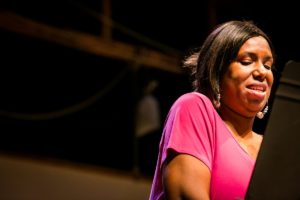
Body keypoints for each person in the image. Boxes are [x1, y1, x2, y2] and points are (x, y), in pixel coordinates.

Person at [149, 20, 276, 200]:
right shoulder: (194, 107)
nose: (262, 72)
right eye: (247, 61)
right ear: (216, 71)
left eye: (268, 65)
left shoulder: (271, 149)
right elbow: (186, 194)